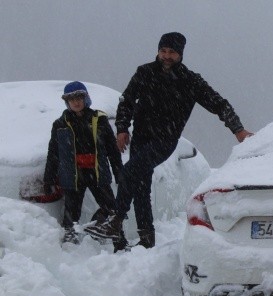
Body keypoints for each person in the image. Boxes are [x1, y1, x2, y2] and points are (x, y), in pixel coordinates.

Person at [84, 32, 253, 248]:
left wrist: (237, 129)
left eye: (172, 52)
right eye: (163, 51)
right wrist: (122, 128)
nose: (166, 56)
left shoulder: (190, 81)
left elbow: (218, 104)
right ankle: (146, 239)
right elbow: (126, 100)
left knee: (128, 173)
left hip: (164, 141)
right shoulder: (145, 72)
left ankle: (114, 221)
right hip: (141, 138)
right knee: (140, 187)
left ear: (180, 55)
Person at [43, 81, 127, 251]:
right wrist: (48, 178)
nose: (76, 102)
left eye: (79, 97)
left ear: (86, 98)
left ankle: (120, 243)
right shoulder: (60, 124)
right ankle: (69, 246)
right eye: (71, 99)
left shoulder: (99, 119)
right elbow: (53, 153)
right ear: (67, 102)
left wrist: (119, 173)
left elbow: (112, 149)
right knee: (71, 213)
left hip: (97, 173)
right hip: (73, 175)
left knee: (112, 209)